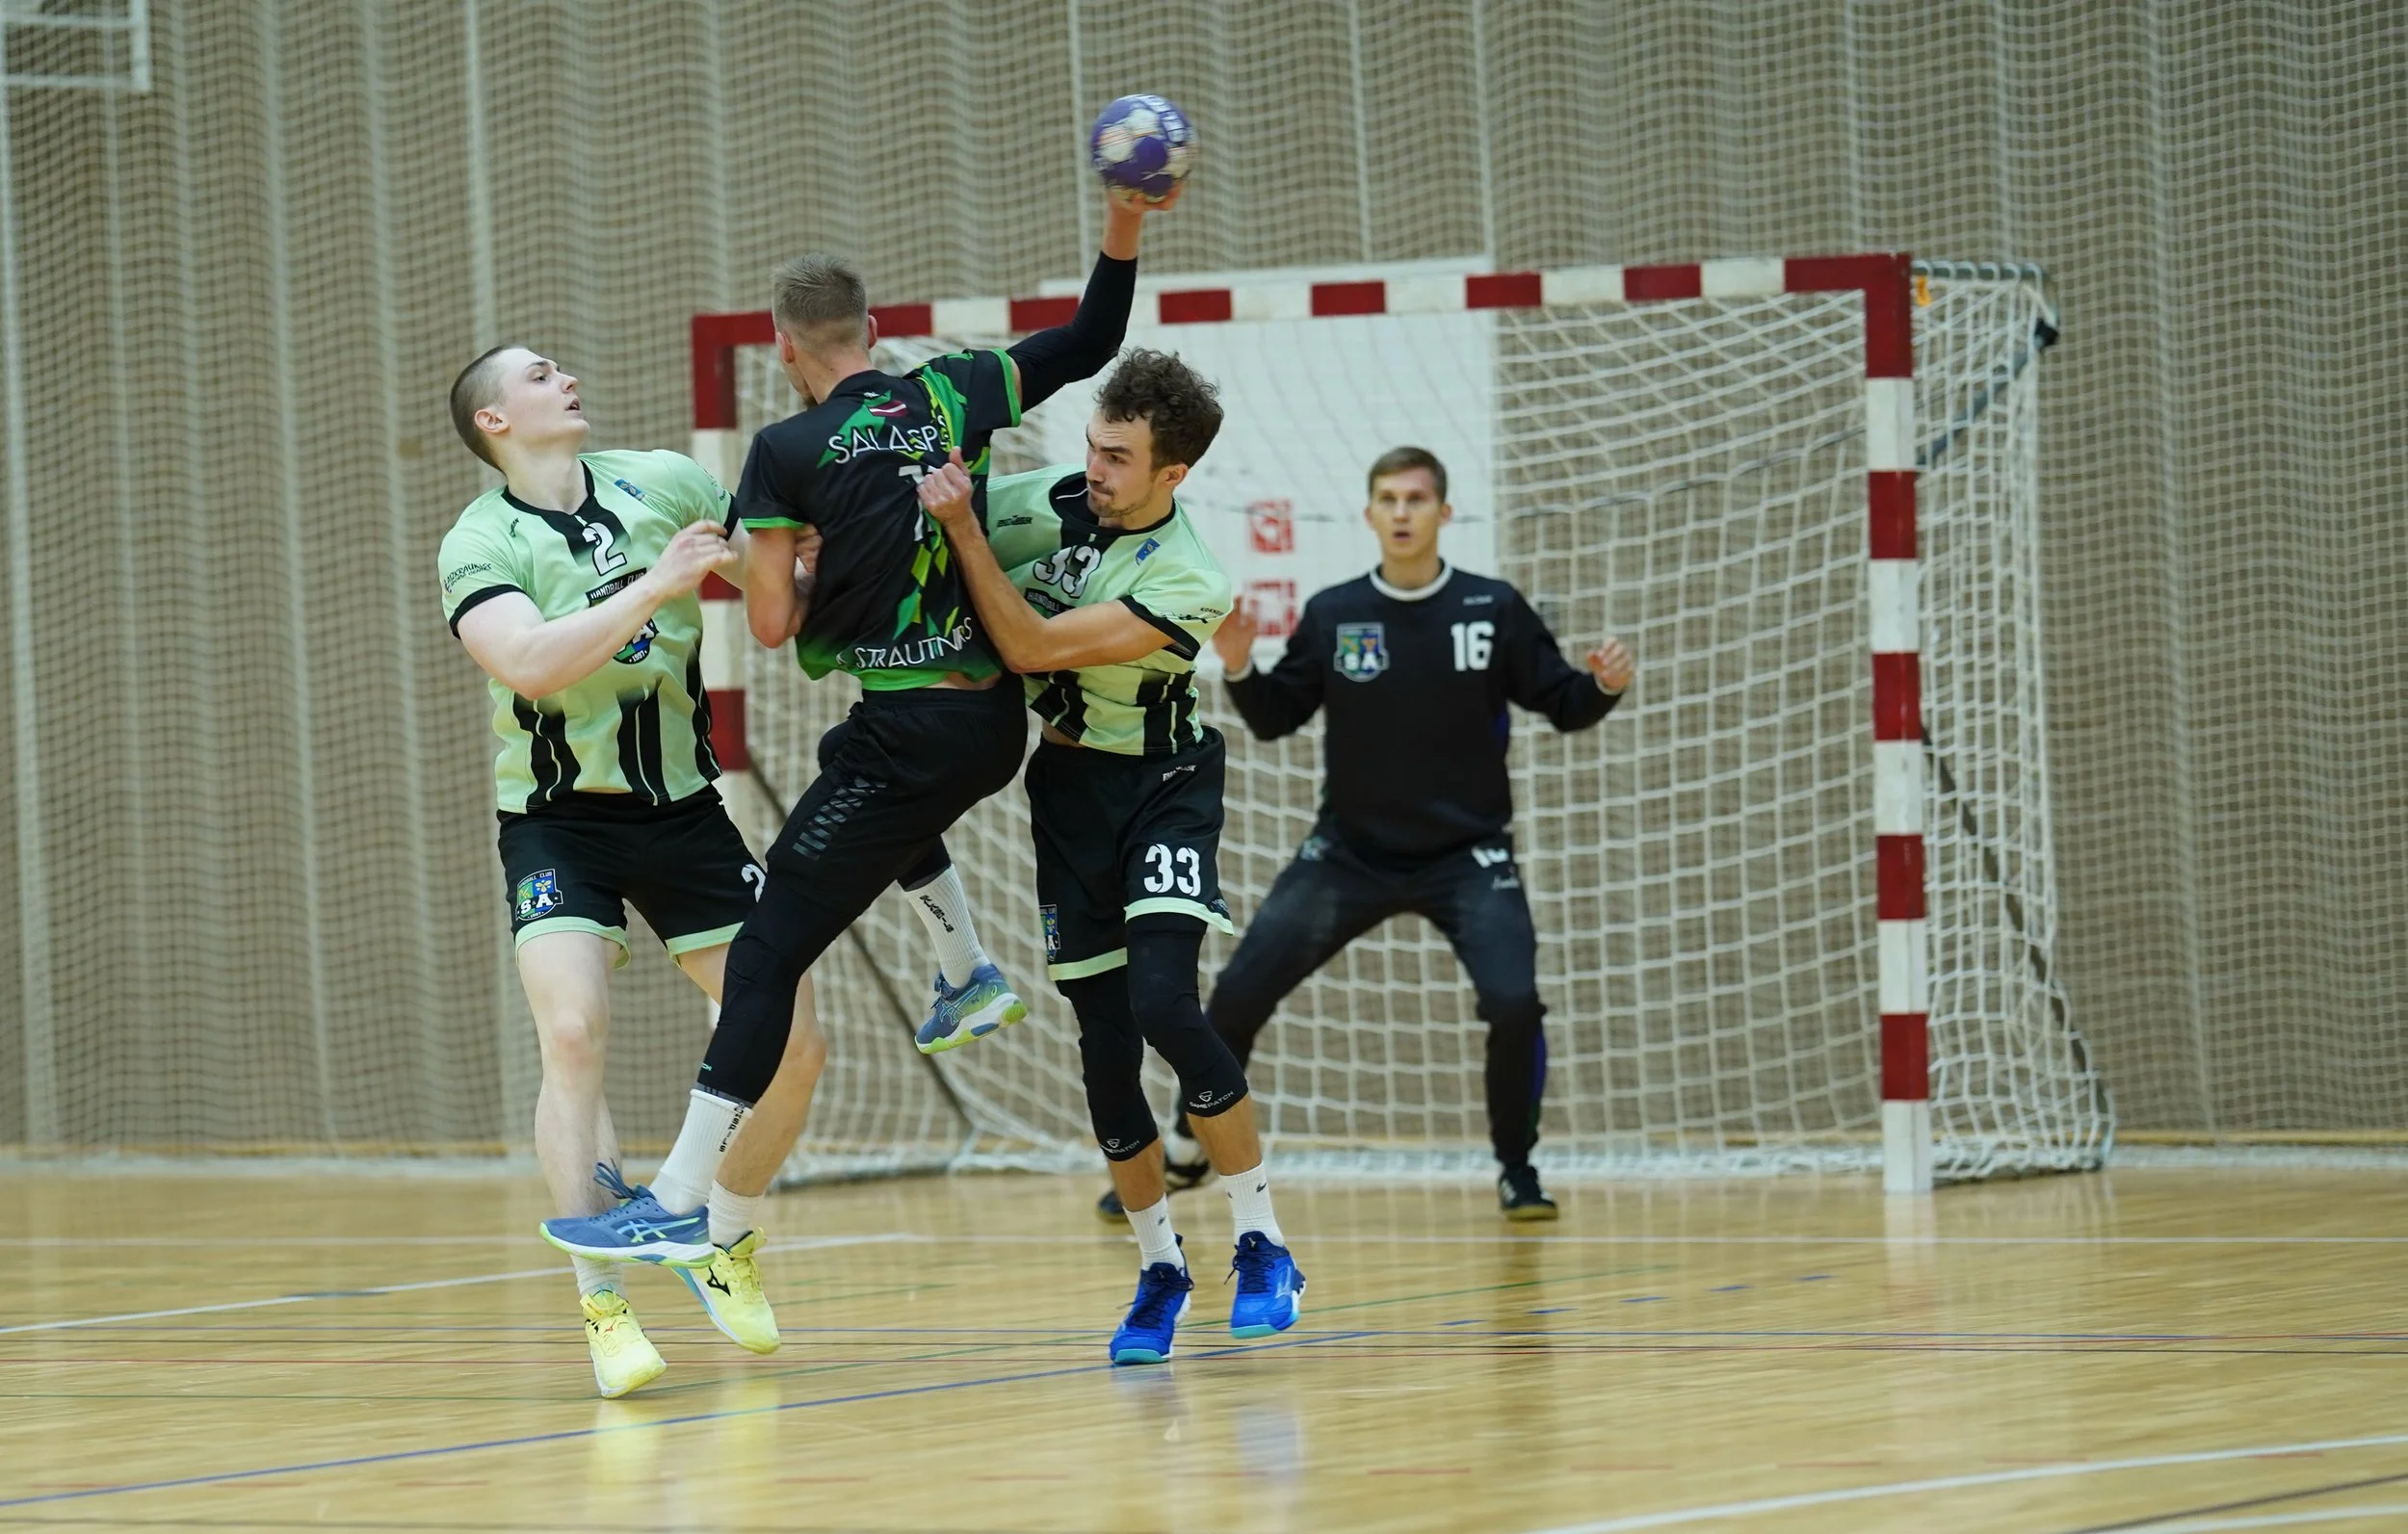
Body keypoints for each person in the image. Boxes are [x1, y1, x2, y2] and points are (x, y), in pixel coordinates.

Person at [540, 185, 1178, 1282]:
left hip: (912, 731)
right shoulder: (956, 388)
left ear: (784, 348)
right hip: (984, 722)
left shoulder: (785, 449)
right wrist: (1124, 222)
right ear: (872, 331)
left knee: (766, 951)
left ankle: (680, 1202)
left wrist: (788, 565)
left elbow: (772, 625)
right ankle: (966, 967)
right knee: (848, 774)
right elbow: (1091, 338)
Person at [1098, 445, 1635, 1223]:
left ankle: (1518, 1169)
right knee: (1237, 993)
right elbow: (1277, 718)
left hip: (1468, 856)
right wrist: (1241, 668)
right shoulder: (1334, 612)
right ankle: (1187, 1148)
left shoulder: (1492, 607)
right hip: (1348, 855)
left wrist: (1603, 686)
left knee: (1515, 1002)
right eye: (1389, 499)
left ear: (1444, 513)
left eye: (1416, 499)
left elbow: (1563, 701)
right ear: (1370, 514)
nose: (1403, 512)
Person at [437, 345, 818, 1396]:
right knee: (571, 1032)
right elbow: (528, 662)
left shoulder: (666, 481)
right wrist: (656, 583)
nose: (564, 376)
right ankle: (604, 1304)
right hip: (558, 823)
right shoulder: (480, 540)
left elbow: (780, 590)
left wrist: (846, 544)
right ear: (494, 422)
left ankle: (722, 1234)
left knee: (796, 1042)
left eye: (563, 366)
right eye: (537, 374)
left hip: (686, 814)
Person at [916, 348, 1306, 1365]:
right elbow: (921, 527)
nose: (1095, 468)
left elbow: (1031, 649)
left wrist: (963, 533)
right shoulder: (1052, 499)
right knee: (1103, 1047)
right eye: (1094, 445)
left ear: (1172, 473)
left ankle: (1262, 1241)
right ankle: (1160, 1268)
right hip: (1069, 795)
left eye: (1119, 457)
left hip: (1165, 787)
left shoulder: (1188, 577)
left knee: (1165, 1003)